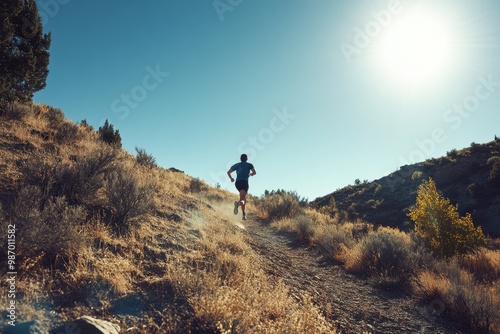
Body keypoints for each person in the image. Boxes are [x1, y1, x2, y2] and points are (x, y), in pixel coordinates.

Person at [227, 154, 256, 220]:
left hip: (237, 183)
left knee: (243, 198)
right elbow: (254, 172)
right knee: (242, 200)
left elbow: (228, 172)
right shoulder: (249, 165)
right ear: (247, 159)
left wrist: (231, 178)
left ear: (240, 158)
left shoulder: (237, 165)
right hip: (244, 183)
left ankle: (243, 214)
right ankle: (237, 204)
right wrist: (251, 174)